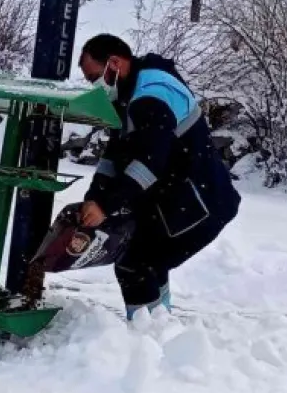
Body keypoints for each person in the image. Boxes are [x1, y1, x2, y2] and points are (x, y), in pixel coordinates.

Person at [76, 34, 241, 320]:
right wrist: (95, 196)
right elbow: (115, 154)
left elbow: (148, 164)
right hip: (179, 202)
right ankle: (159, 329)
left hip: (200, 204)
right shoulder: (133, 89)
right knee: (146, 260)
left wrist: (106, 205)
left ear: (114, 63)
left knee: (134, 263)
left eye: (94, 78)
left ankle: (147, 338)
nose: (94, 87)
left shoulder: (150, 97)